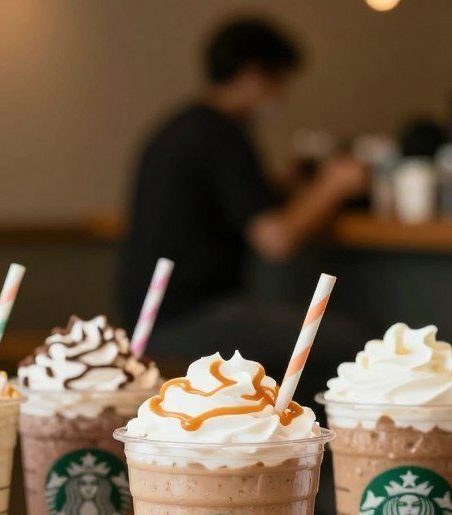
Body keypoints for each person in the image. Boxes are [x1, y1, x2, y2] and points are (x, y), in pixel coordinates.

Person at [117, 17, 371, 390]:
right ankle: (312, 445)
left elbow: (230, 203)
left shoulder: (185, 127)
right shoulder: (223, 136)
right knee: (360, 348)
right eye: (279, 82)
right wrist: (334, 184)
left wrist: (286, 184)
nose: (281, 96)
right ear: (253, 75)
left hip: (151, 318)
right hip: (190, 319)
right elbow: (276, 241)